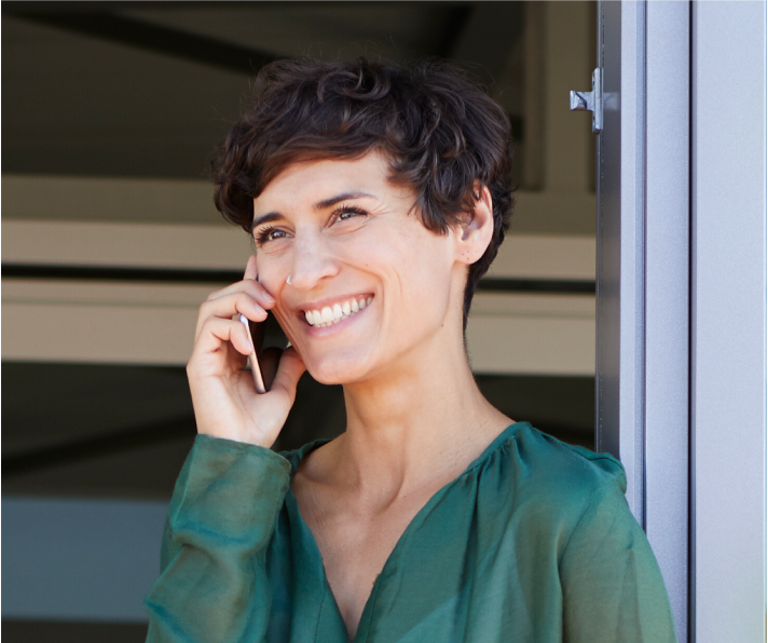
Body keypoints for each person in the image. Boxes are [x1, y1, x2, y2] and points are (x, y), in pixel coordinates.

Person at [144, 58, 676, 642]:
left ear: (468, 222)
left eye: (347, 215)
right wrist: (229, 457)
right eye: (274, 234)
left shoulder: (566, 514)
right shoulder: (237, 517)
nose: (305, 270)